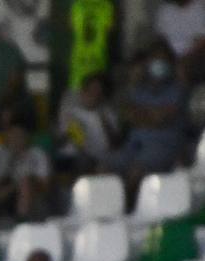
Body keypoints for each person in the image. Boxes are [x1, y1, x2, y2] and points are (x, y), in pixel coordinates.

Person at [114, 41, 189, 203]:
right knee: (105, 168)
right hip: (134, 145)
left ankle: (127, 214)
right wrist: (149, 114)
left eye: (163, 60)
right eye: (155, 59)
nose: (158, 64)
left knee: (135, 173)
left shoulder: (177, 89)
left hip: (163, 147)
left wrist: (141, 114)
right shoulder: (139, 88)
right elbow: (129, 116)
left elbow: (160, 120)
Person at [56, 72, 121, 175]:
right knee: (84, 162)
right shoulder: (71, 112)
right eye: (91, 89)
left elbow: (114, 144)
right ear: (84, 91)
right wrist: (72, 132)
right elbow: (60, 142)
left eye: (99, 90)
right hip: (74, 156)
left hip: (102, 158)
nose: (94, 93)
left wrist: (104, 123)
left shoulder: (107, 113)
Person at [0, 116, 52, 222]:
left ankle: (22, 221)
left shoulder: (38, 154)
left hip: (35, 198)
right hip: (9, 197)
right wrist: (10, 159)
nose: (16, 139)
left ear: (27, 136)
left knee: (26, 182)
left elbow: (45, 185)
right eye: (13, 135)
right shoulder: (4, 155)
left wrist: (23, 182)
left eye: (19, 135)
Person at [69, 0, 115, 92]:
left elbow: (71, 26)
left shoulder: (77, 5)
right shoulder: (107, 5)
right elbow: (110, 29)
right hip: (98, 59)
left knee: (77, 94)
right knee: (97, 92)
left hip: (79, 61)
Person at [156, 0, 205, 83]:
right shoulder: (165, 10)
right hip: (171, 57)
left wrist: (186, 58)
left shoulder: (201, 6)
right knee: (154, 67)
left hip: (197, 55)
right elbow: (162, 39)